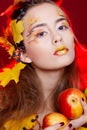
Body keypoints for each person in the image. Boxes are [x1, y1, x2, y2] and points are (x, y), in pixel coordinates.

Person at [0, 0, 87, 129]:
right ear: (23, 54)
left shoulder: (83, 99)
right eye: (41, 33)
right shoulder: (4, 110)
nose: (57, 37)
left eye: (62, 27)